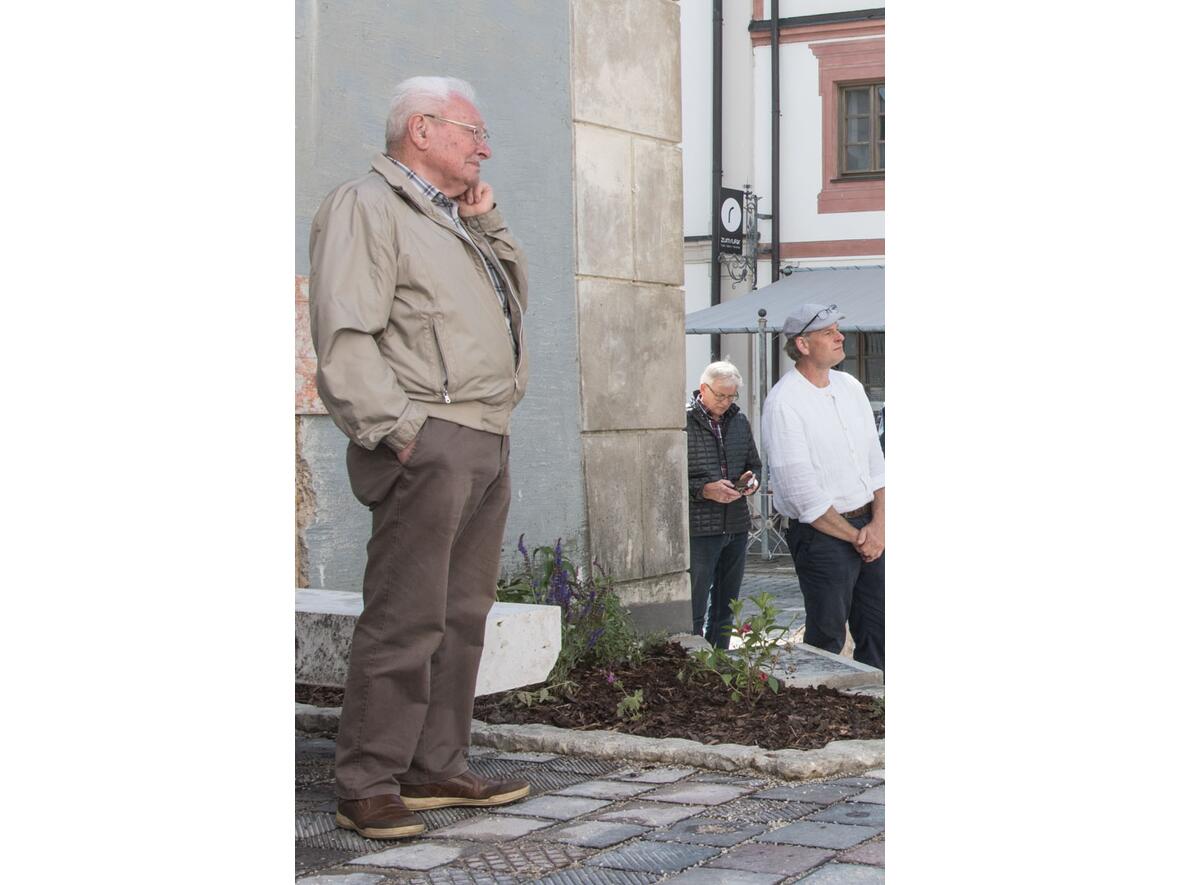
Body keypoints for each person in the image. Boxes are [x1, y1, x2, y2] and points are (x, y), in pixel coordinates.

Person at [309, 75, 531, 840]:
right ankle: (366, 780)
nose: (484, 147)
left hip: (484, 434)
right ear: (423, 129)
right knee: (405, 616)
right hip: (429, 435)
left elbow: (512, 305)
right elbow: (344, 335)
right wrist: (401, 431)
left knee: (461, 615)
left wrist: (489, 223)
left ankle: (435, 764)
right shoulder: (366, 206)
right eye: (473, 132)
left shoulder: (454, 218)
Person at [762, 304, 885, 672]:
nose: (840, 336)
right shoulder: (784, 403)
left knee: (881, 626)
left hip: (870, 524)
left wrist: (877, 527)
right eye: (828, 332)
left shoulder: (850, 387)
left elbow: (875, 464)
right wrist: (858, 537)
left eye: (837, 329)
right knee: (827, 634)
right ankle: (823, 713)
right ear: (802, 344)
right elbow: (803, 495)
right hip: (823, 535)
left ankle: (879, 704)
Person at [686, 361, 762, 648]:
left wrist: (751, 481)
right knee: (696, 602)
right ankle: (692, 659)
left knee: (727, 603)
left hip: (736, 523)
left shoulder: (739, 421)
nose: (726, 402)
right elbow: (671, 478)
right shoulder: (684, 421)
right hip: (700, 527)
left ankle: (720, 659)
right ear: (703, 389)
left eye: (732, 396)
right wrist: (704, 490)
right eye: (721, 395)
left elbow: (755, 465)